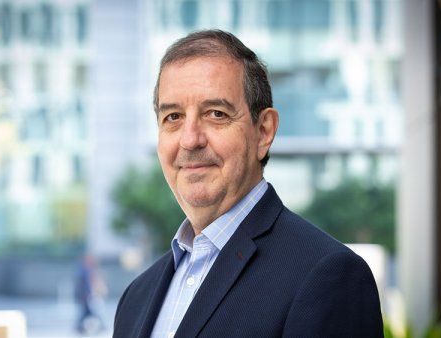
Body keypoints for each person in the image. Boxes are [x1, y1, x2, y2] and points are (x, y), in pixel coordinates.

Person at [113, 30, 383, 337]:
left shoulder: (329, 278)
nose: (190, 140)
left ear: (264, 132)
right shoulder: (136, 297)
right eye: (173, 117)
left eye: (216, 114)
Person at [75, 254, 107, 334]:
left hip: (88, 296)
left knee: (88, 311)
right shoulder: (83, 270)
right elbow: (83, 285)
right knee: (88, 311)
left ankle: (79, 327)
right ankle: (79, 327)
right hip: (85, 296)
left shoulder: (87, 270)